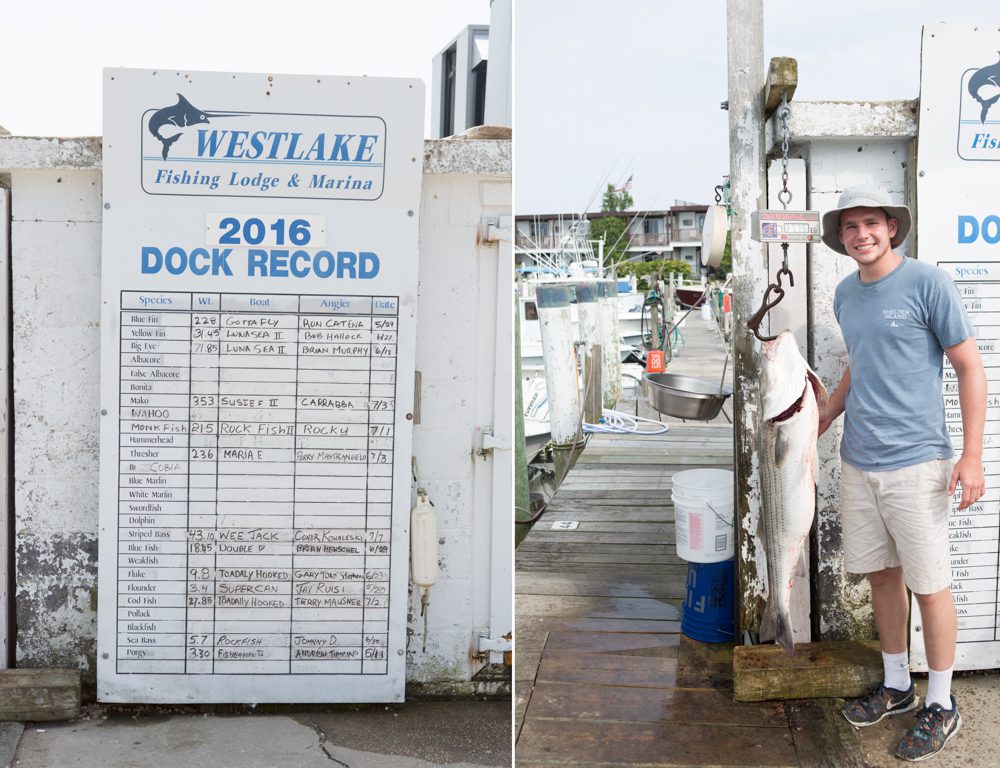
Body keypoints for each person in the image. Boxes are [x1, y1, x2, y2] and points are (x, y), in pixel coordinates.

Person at [817, 185, 986, 762]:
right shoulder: (844, 295)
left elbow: (969, 367)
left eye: (871, 223)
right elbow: (857, 370)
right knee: (882, 578)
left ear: (892, 228)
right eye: (850, 226)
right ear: (840, 238)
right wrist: (822, 415)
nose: (861, 233)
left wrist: (971, 456)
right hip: (859, 462)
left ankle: (942, 703)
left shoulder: (928, 284)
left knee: (930, 586)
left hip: (918, 464)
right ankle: (897, 685)